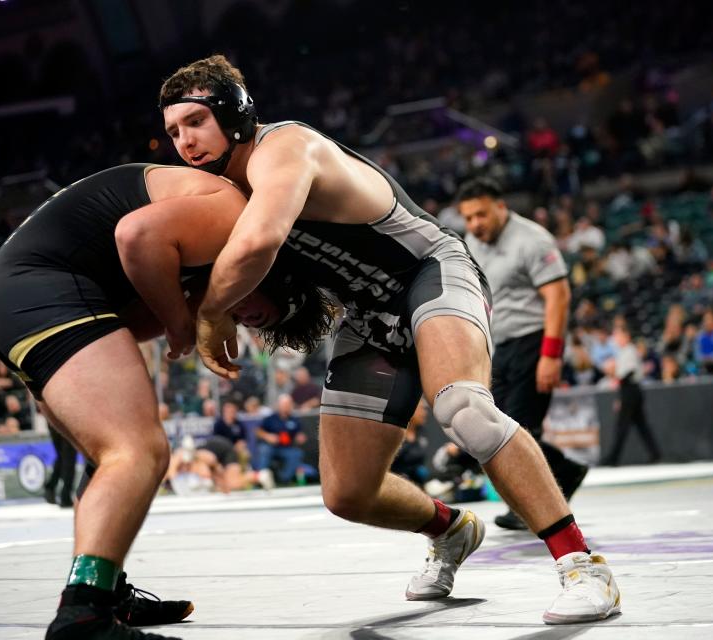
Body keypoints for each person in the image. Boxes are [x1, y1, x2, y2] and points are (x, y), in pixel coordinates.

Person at [160, 55, 620, 624]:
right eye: (173, 132)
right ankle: (452, 530)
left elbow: (256, 247)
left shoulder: (285, 146)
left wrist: (209, 314)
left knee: (463, 408)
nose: (184, 141)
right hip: (368, 312)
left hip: (429, 271)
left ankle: (582, 564)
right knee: (347, 493)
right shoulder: (216, 187)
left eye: (195, 122)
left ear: (234, 113)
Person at [0, 162, 333, 640]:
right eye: (255, 310)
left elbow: (132, 322)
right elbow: (135, 234)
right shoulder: (234, 214)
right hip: (43, 290)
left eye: (251, 323)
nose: (244, 318)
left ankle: (105, 590)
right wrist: (189, 321)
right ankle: (83, 616)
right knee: (139, 450)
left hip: (25, 298)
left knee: (106, 460)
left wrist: (187, 316)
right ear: (269, 276)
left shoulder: (196, 255)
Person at [458, 178, 589, 531]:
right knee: (491, 430)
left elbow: (558, 296)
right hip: (501, 346)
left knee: (515, 433)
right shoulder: (473, 242)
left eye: (481, 215)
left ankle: (533, 507)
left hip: (533, 342)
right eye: (468, 218)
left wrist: (551, 355)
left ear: (501, 207)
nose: (475, 224)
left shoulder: (532, 239)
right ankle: (566, 470)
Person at [601, 325, 662, 466]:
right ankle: (655, 453)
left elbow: (626, 375)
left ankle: (613, 458)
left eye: (618, 335)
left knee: (622, 426)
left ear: (626, 336)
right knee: (641, 425)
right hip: (630, 390)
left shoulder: (629, 350)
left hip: (630, 390)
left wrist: (613, 371)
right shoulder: (624, 351)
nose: (616, 339)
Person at [253, 393, 307, 485]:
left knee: (296, 454)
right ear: (279, 405)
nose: (286, 406)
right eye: (284, 404)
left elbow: (299, 433)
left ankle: (284, 479)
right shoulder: (271, 418)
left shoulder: (294, 419)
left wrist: (300, 437)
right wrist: (267, 436)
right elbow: (257, 431)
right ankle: (261, 479)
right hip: (271, 447)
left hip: (286, 448)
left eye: (288, 404)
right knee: (264, 450)